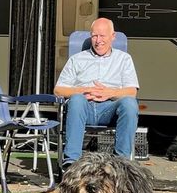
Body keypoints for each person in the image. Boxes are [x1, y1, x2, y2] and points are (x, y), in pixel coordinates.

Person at [54, 17, 139, 169]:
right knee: (77, 100)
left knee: (130, 103)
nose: (98, 40)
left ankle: (121, 164)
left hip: (110, 109)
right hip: (83, 107)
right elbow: (58, 90)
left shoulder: (124, 59)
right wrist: (83, 90)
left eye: (102, 36)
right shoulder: (77, 59)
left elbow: (132, 91)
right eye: (94, 36)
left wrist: (109, 93)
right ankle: (71, 162)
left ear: (113, 37)